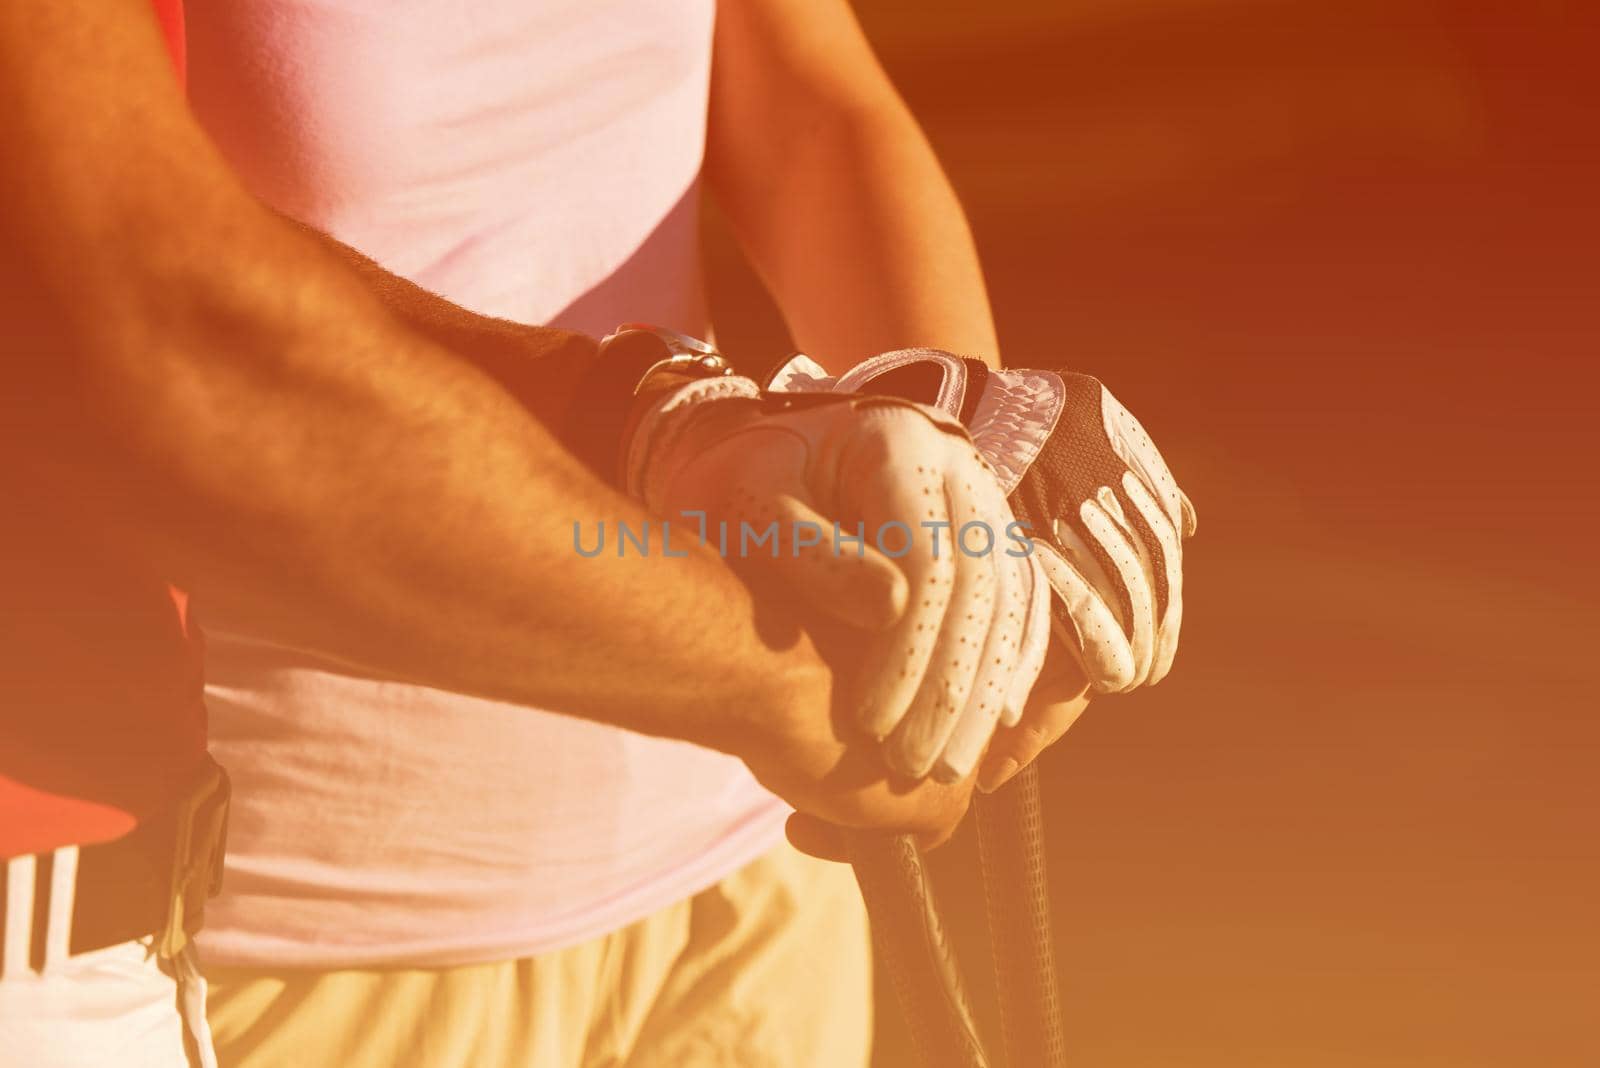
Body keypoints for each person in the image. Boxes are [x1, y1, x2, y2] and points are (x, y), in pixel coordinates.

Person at [0, 1, 1052, 1064]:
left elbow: (807, 106)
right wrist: (781, 683)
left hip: (741, 860)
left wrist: (953, 478)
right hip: (325, 915)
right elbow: (143, 291)